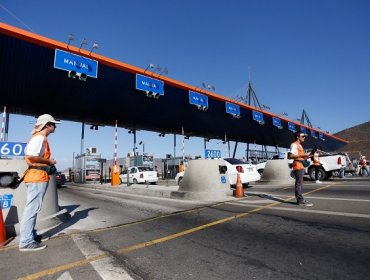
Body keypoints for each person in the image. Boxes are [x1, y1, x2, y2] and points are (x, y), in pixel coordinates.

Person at [19, 114, 60, 251]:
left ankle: (31, 235)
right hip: (36, 177)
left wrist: (47, 166)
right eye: (53, 124)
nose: (55, 126)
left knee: (33, 209)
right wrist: (49, 162)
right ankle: (26, 242)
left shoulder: (39, 138)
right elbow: (31, 156)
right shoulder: (39, 138)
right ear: (47, 125)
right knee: (31, 209)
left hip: (37, 176)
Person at [289, 132, 313, 207]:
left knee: (300, 183)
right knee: (299, 184)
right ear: (297, 137)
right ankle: (300, 200)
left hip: (301, 165)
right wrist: (303, 154)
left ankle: (301, 199)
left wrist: (309, 156)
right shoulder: (294, 144)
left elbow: (301, 157)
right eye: (302, 136)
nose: (304, 138)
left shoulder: (300, 146)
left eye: (304, 137)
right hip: (297, 165)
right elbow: (291, 155)